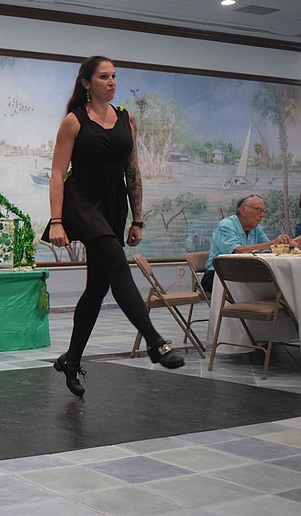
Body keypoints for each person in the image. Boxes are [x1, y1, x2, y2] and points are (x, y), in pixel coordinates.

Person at [43, 55, 185, 397]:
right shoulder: (74, 122)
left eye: (114, 76)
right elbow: (58, 174)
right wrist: (58, 221)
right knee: (119, 268)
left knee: (97, 288)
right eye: (104, 77)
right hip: (82, 204)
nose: (112, 82)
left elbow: (133, 172)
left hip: (113, 206)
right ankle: (155, 342)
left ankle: (72, 359)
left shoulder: (127, 119)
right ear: (86, 83)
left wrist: (137, 218)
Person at [201, 194, 293, 292]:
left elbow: (270, 249)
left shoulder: (256, 228)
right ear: (243, 210)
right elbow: (238, 251)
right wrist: (273, 243)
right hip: (217, 275)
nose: (261, 214)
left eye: (263, 211)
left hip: (243, 272)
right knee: (268, 285)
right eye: (258, 209)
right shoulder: (226, 225)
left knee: (280, 281)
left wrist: (290, 244)